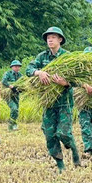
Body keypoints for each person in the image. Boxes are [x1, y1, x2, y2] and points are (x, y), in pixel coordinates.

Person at [26, 26, 80, 173]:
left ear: (60, 40)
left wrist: (66, 83)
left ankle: (74, 149)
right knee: (50, 134)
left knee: (63, 133)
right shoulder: (42, 57)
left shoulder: (68, 57)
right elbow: (28, 69)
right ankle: (60, 165)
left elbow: (78, 79)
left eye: (53, 37)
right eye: (48, 37)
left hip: (64, 101)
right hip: (48, 102)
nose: (50, 39)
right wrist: (39, 72)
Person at [1, 60, 23, 131]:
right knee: (14, 108)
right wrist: (11, 86)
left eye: (18, 67)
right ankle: (10, 126)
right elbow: (4, 81)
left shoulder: (20, 75)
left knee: (16, 110)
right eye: (16, 66)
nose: (17, 68)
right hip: (8, 95)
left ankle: (14, 124)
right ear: (12, 67)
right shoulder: (8, 73)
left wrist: (21, 88)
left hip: (16, 95)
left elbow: (23, 83)